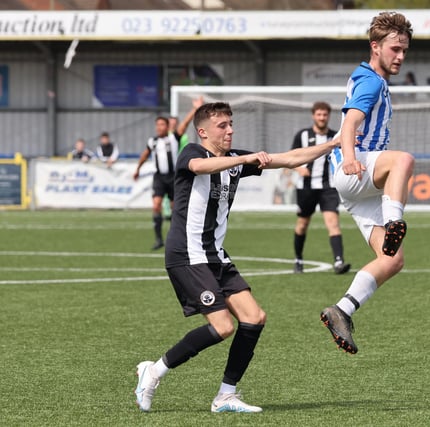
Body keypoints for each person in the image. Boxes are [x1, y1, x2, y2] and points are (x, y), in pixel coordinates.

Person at [134, 101, 340, 414]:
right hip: (187, 254)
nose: (230, 130)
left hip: (215, 255)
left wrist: (335, 143)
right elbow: (201, 168)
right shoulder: (191, 152)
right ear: (203, 131)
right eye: (222, 126)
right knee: (222, 326)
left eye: (231, 124)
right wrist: (245, 158)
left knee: (254, 318)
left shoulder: (233, 160)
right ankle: (154, 371)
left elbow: (290, 159)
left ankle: (225, 396)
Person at [320, 11, 415, 355]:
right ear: (375, 47)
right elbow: (349, 123)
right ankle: (394, 222)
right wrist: (348, 156)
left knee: (392, 259)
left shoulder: (374, 80)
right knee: (402, 160)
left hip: (360, 186)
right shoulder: (371, 80)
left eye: (405, 50)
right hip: (354, 169)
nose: (400, 56)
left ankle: (341, 310)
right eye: (395, 49)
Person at [133, 97, 203, 250]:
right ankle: (158, 239)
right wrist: (137, 169)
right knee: (156, 205)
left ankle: (178, 239)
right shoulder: (153, 141)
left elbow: (184, 124)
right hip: (159, 177)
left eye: (162, 124)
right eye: (157, 125)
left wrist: (195, 108)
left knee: (175, 208)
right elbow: (145, 154)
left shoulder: (174, 137)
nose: (159, 127)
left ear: (167, 126)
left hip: (173, 177)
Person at [291, 101, 350, 275]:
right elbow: (292, 156)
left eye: (325, 115)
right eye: (319, 114)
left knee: (333, 223)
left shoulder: (335, 136)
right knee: (302, 224)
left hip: (328, 187)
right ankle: (298, 259)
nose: (322, 117)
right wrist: (298, 168)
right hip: (306, 187)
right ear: (313, 115)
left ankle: (339, 262)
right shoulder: (302, 135)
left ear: (328, 116)